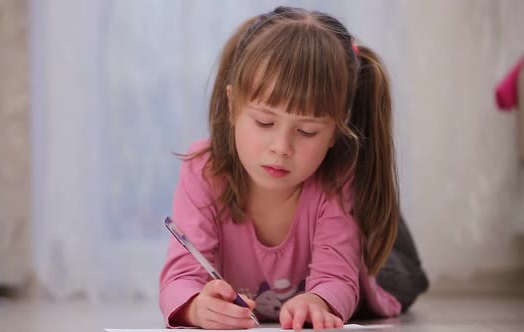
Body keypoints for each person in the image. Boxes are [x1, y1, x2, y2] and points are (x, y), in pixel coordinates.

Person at [159, 6, 428, 330]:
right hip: (323, 218)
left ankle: (371, 219)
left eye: (307, 132)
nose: (281, 148)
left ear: (335, 130)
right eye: (264, 122)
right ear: (232, 107)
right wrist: (195, 307)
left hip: (372, 267)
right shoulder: (204, 169)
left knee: (398, 277)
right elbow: (181, 277)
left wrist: (319, 301)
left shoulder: (336, 177)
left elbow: (338, 278)